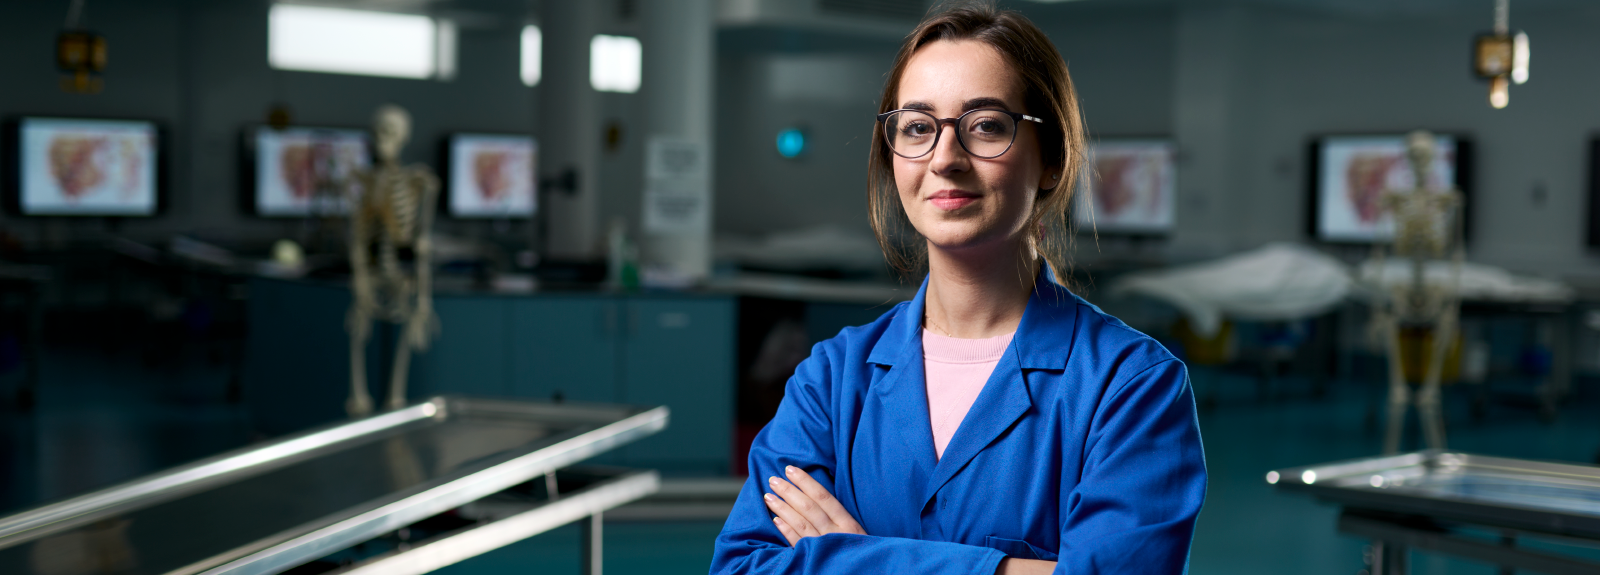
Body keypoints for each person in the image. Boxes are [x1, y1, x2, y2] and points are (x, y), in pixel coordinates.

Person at [709, 3, 1206, 574]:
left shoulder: (1130, 387)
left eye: (987, 125)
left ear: (1052, 160)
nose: (945, 158)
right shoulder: (833, 378)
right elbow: (742, 566)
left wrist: (850, 557)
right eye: (918, 127)